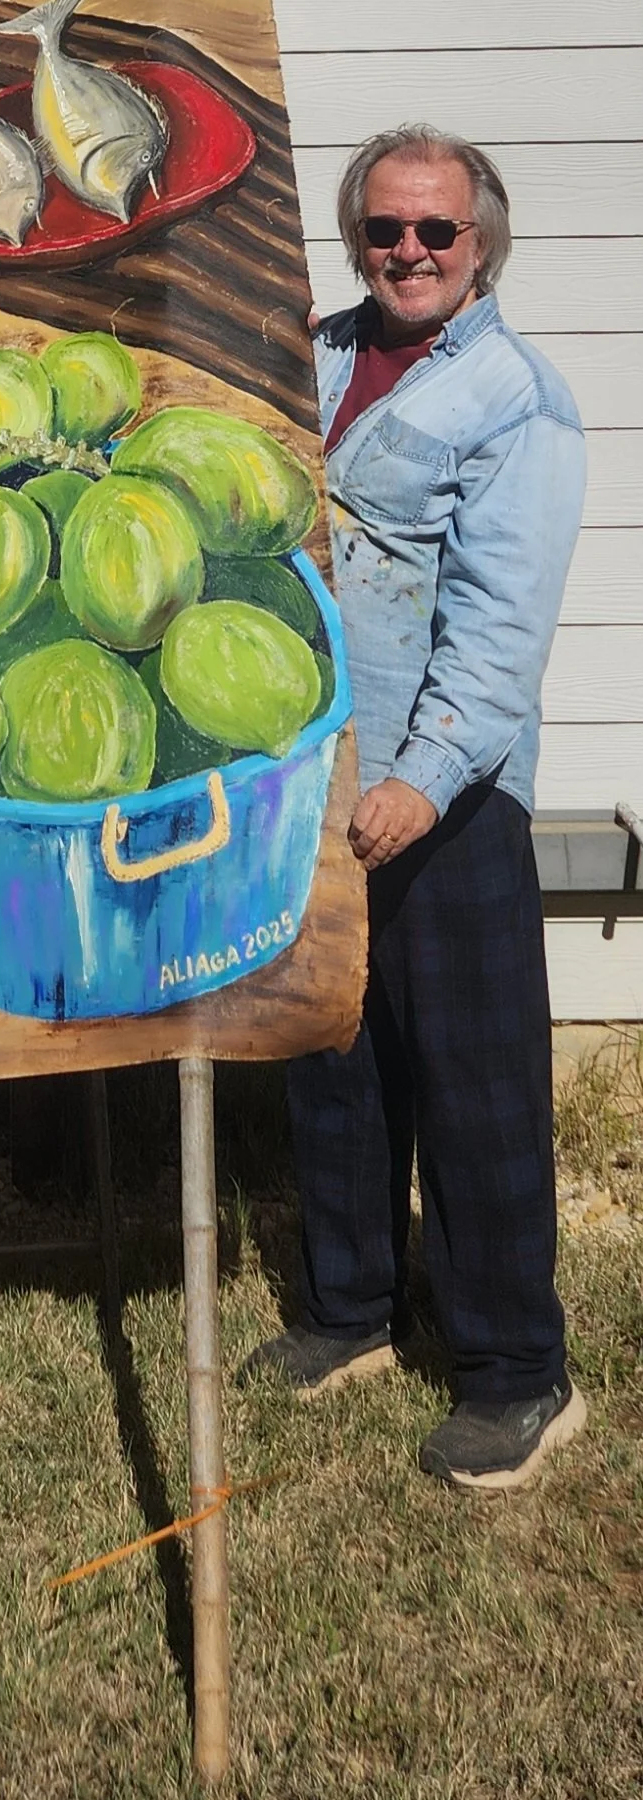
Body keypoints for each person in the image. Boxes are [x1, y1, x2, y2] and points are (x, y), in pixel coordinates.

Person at [247, 127, 587, 1494]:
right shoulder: (309, 354)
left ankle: (516, 1371)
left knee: (474, 1089)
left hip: (440, 802)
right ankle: (347, 1312)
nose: (408, 250)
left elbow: (502, 627)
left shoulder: (515, 399)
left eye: (434, 231)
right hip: (309, 777)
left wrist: (418, 778)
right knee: (330, 1057)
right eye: (384, 227)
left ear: (481, 242)